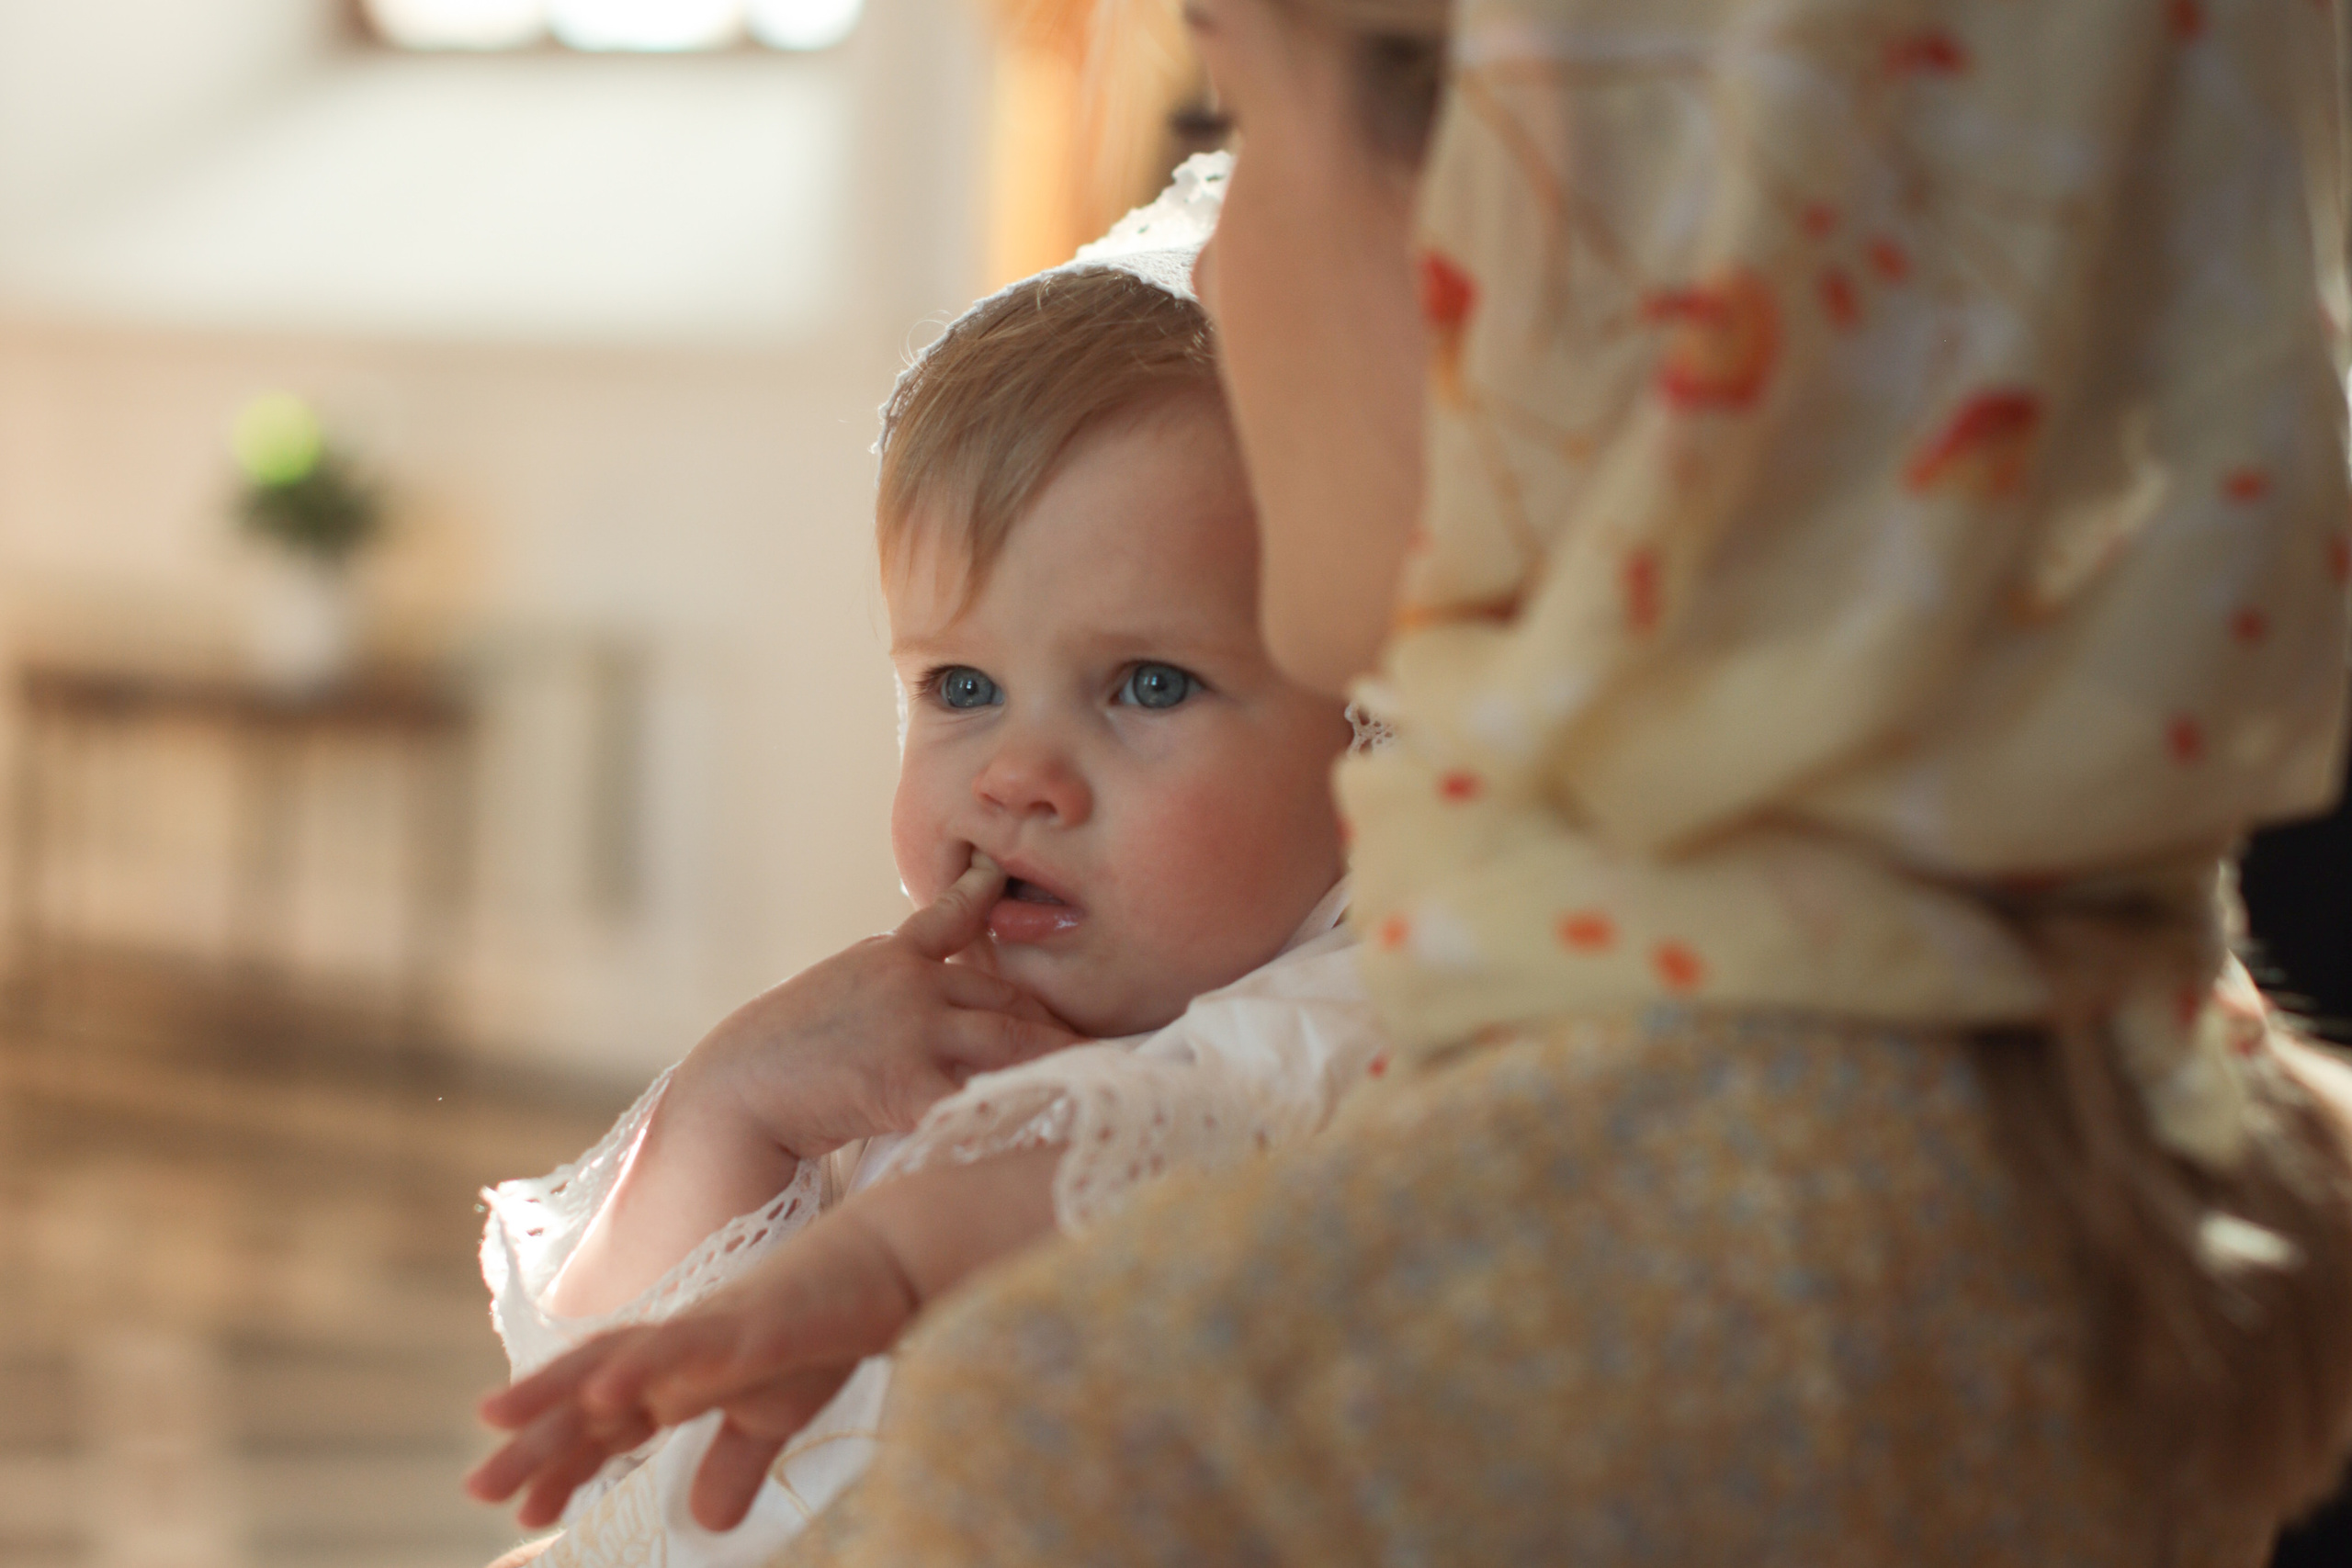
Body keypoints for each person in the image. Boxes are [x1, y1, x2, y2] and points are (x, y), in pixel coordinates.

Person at [478, 0, 2352, 1561]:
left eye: (1242, 116)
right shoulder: (2199, 1125)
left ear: (1549, 228)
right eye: (956, 684)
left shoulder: (1156, 1424)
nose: (1212, 255)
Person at [463, 155, 1393, 1565]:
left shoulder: (1361, 1007)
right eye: (962, 687)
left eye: (1147, 684)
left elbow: (1189, 1143)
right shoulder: (910, 1034)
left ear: (1369, 726)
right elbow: (609, 1390)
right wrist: (734, 1108)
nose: (1014, 776)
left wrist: (887, 1256)